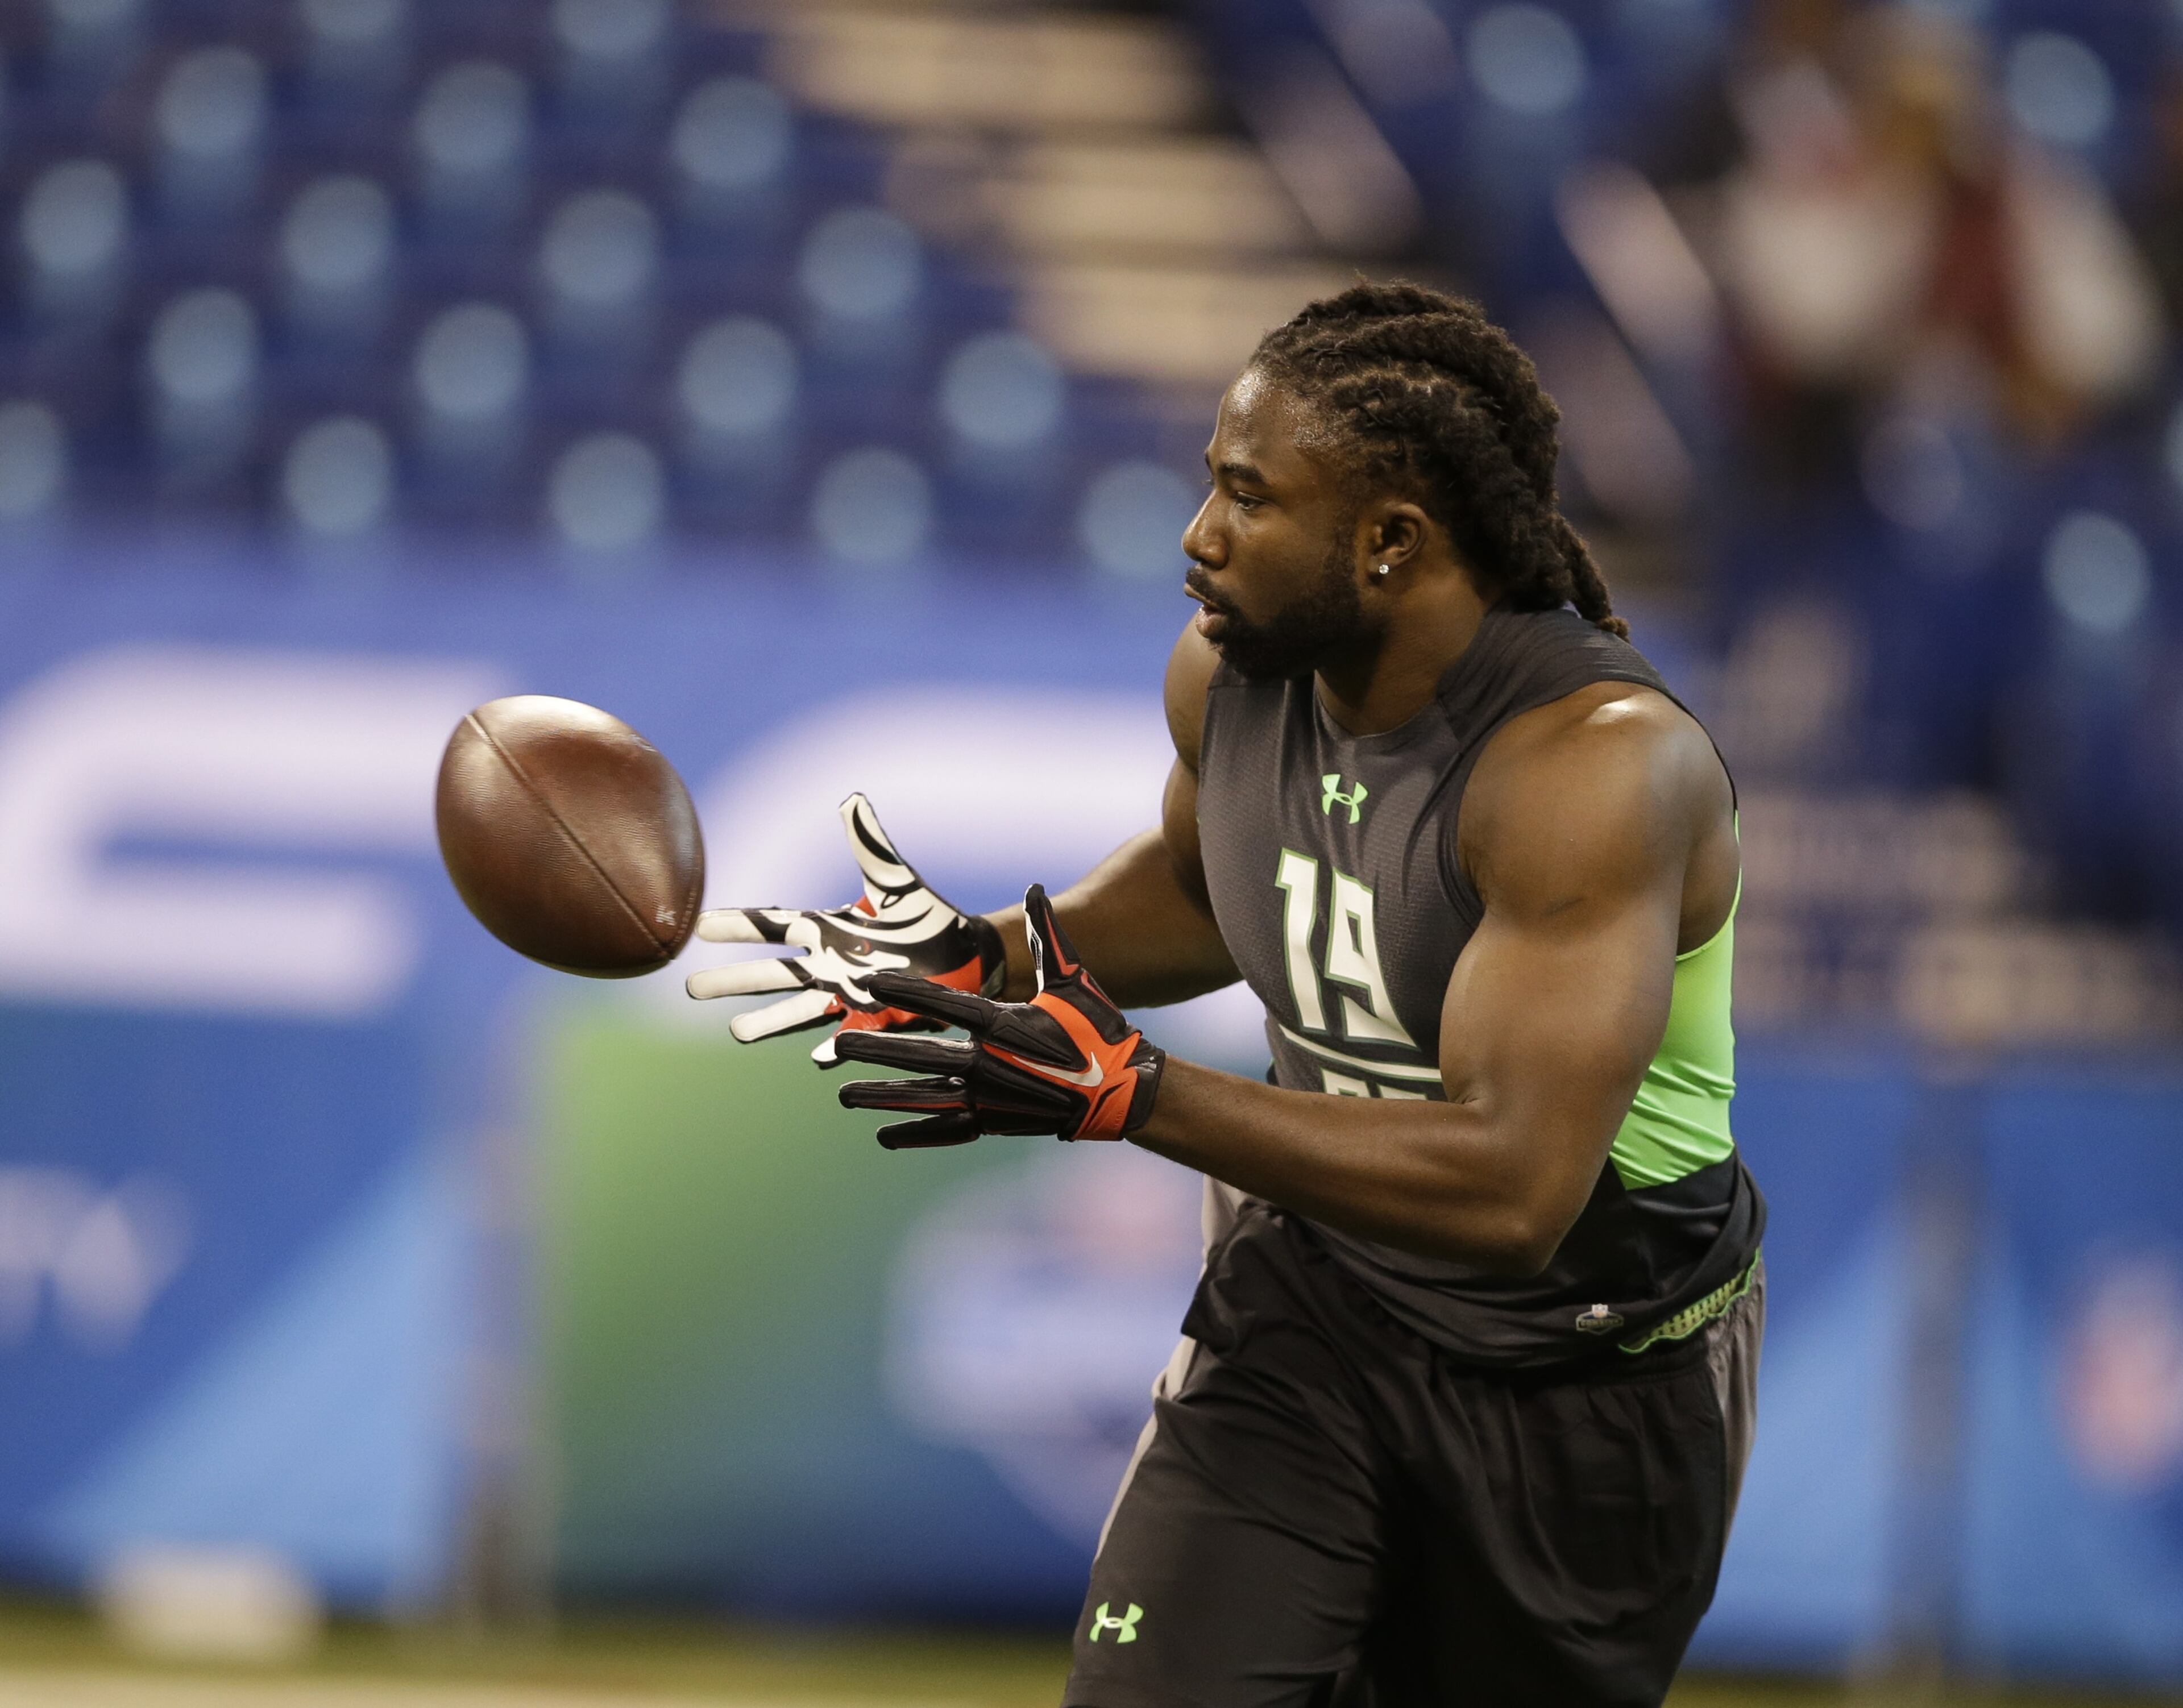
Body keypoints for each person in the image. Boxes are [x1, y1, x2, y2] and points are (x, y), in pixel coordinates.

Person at [688, 281, 1765, 1707]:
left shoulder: (1598, 766)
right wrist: (982, 961)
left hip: (1592, 1370)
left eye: (1247, 497)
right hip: (1312, 1307)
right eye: (1213, 485)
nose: (1199, 539)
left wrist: (1137, 1093)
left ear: (1390, 542)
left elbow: (1515, 1190)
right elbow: (1210, 889)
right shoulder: (1234, 669)